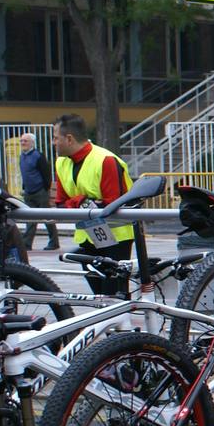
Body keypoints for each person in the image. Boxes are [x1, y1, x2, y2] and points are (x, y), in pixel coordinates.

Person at [52, 114, 132, 296]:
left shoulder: (106, 160)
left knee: (115, 296)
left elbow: (113, 205)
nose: (53, 142)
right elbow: (60, 204)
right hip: (87, 236)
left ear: (69, 139)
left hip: (116, 238)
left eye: (56, 138)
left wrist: (78, 202)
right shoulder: (61, 163)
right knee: (99, 297)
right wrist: (84, 202)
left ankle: (123, 324)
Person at [17, 132, 60, 251]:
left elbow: (46, 174)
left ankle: (54, 242)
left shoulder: (38, 156)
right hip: (28, 192)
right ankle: (26, 243)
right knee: (30, 219)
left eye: (25, 141)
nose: (23, 143)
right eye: (21, 141)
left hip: (40, 192)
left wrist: (45, 189)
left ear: (32, 143)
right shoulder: (22, 156)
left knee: (47, 218)